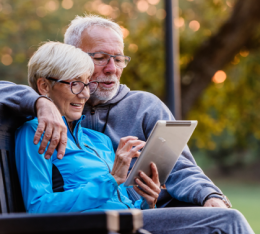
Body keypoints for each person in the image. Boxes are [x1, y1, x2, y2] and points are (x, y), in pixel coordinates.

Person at [15, 41, 260, 234]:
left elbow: (117, 199)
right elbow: (39, 208)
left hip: (125, 229)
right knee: (229, 220)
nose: (84, 95)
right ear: (44, 86)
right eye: (74, 84)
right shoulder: (33, 133)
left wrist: (146, 201)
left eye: (86, 84)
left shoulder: (95, 140)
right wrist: (111, 180)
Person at [0, 14, 229, 209]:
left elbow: (181, 167)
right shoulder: (43, 122)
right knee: (227, 226)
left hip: (149, 216)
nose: (112, 69)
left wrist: (209, 196)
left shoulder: (139, 110)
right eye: (100, 58)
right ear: (73, 57)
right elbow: (42, 206)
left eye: (118, 59)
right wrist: (41, 103)